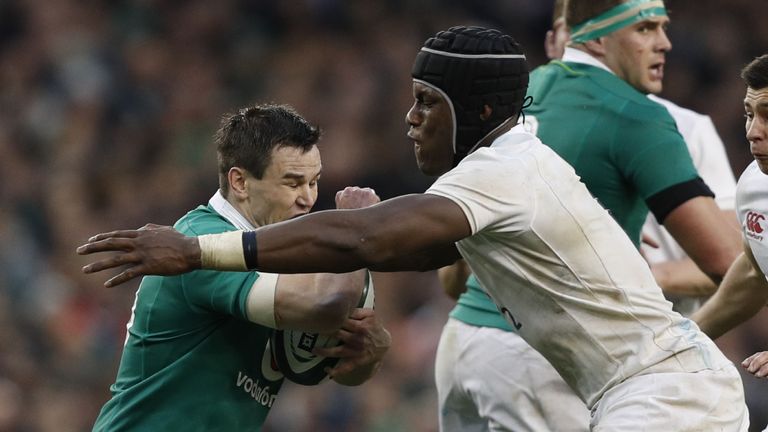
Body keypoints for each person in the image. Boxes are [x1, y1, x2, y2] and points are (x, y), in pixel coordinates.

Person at [78, 26, 749, 430]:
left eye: (428, 102)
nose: (410, 118)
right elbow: (393, 262)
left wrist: (196, 252)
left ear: (478, 109)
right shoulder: (510, 165)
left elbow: (363, 244)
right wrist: (359, 339)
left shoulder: (500, 172)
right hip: (647, 391)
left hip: (659, 393)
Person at [435, 1, 741, 430]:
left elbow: (451, 278)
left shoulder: (509, 99)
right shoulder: (636, 115)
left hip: (464, 344)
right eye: (645, 28)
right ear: (598, 36)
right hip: (547, 362)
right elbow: (729, 262)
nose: (665, 43)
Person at [89, 104, 391, 431]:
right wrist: (357, 227)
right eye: (292, 183)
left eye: (313, 182)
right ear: (240, 182)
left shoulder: (287, 254)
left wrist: (371, 350)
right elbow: (327, 308)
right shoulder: (201, 242)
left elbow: (331, 368)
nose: (308, 199)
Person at [691, 54, 768, 373]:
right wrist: (683, 338)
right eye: (749, 115)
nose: (753, 131)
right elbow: (754, 271)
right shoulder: (755, 188)